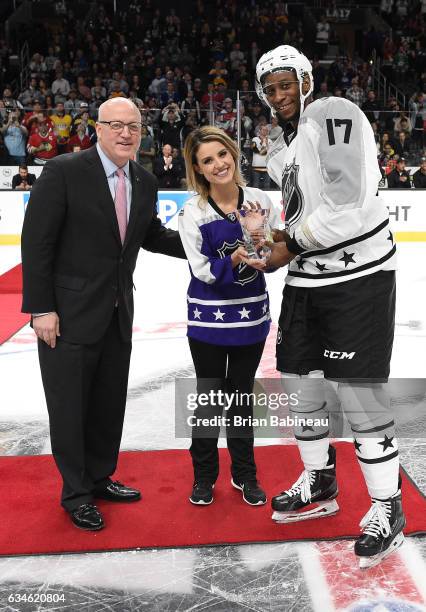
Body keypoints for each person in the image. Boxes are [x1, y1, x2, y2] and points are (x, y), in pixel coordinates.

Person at [254, 45, 404, 569]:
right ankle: (320, 479)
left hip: (357, 276)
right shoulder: (280, 146)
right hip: (306, 279)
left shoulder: (332, 113)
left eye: (286, 82)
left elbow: (349, 203)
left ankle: (388, 507)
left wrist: (286, 245)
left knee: (360, 397)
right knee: (300, 384)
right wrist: (268, 237)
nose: (280, 94)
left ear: (305, 79)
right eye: (269, 88)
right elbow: (306, 212)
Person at [21, 98, 186, 532]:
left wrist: (207, 246)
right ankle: (75, 493)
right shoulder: (63, 172)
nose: (125, 133)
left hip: (117, 311)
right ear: (97, 128)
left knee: (108, 402)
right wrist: (41, 308)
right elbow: (37, 244)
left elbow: (150, 234)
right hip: (67, 314)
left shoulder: (145, 180)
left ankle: (99, 477)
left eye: (133, 126)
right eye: (116, 125)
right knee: (70, 406)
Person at [179, 126, 280, 507]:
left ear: (233, 154)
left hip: (251, 318)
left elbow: (268, 256)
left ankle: (245, 474)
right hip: (208, 320)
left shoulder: (257, 199)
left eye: (222, 154)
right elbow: (201, 269)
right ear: (199, 169)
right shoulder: (194, 211)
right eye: (208, 160)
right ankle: (204, 477)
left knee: (240, 397)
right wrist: (234, 257)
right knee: (209, 398)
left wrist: (260, 247)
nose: (218, 164)